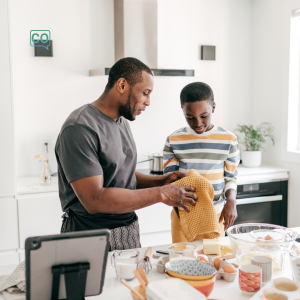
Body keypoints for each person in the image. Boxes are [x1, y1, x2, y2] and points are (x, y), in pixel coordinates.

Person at [55, 57, 198, 250]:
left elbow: (121, 175)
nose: (148, 102)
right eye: (145, 93)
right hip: (89, 237)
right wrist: (162, 193)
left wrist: (160, 181)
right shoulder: (80, 127)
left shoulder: (121, 121)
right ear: (122, 85)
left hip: (127, 232)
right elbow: (94, 200)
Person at [163, 82, 240, 240]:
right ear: (183, 111)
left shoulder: (229, 140)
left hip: (215, 214)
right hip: (184, 213)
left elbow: (231, 177)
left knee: (213, 260)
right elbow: (170, 180)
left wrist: (231, 200)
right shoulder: (173, 140)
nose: (197, 123)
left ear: (213, 107)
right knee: (182, 260)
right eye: (189, 117)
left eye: (203, 116)